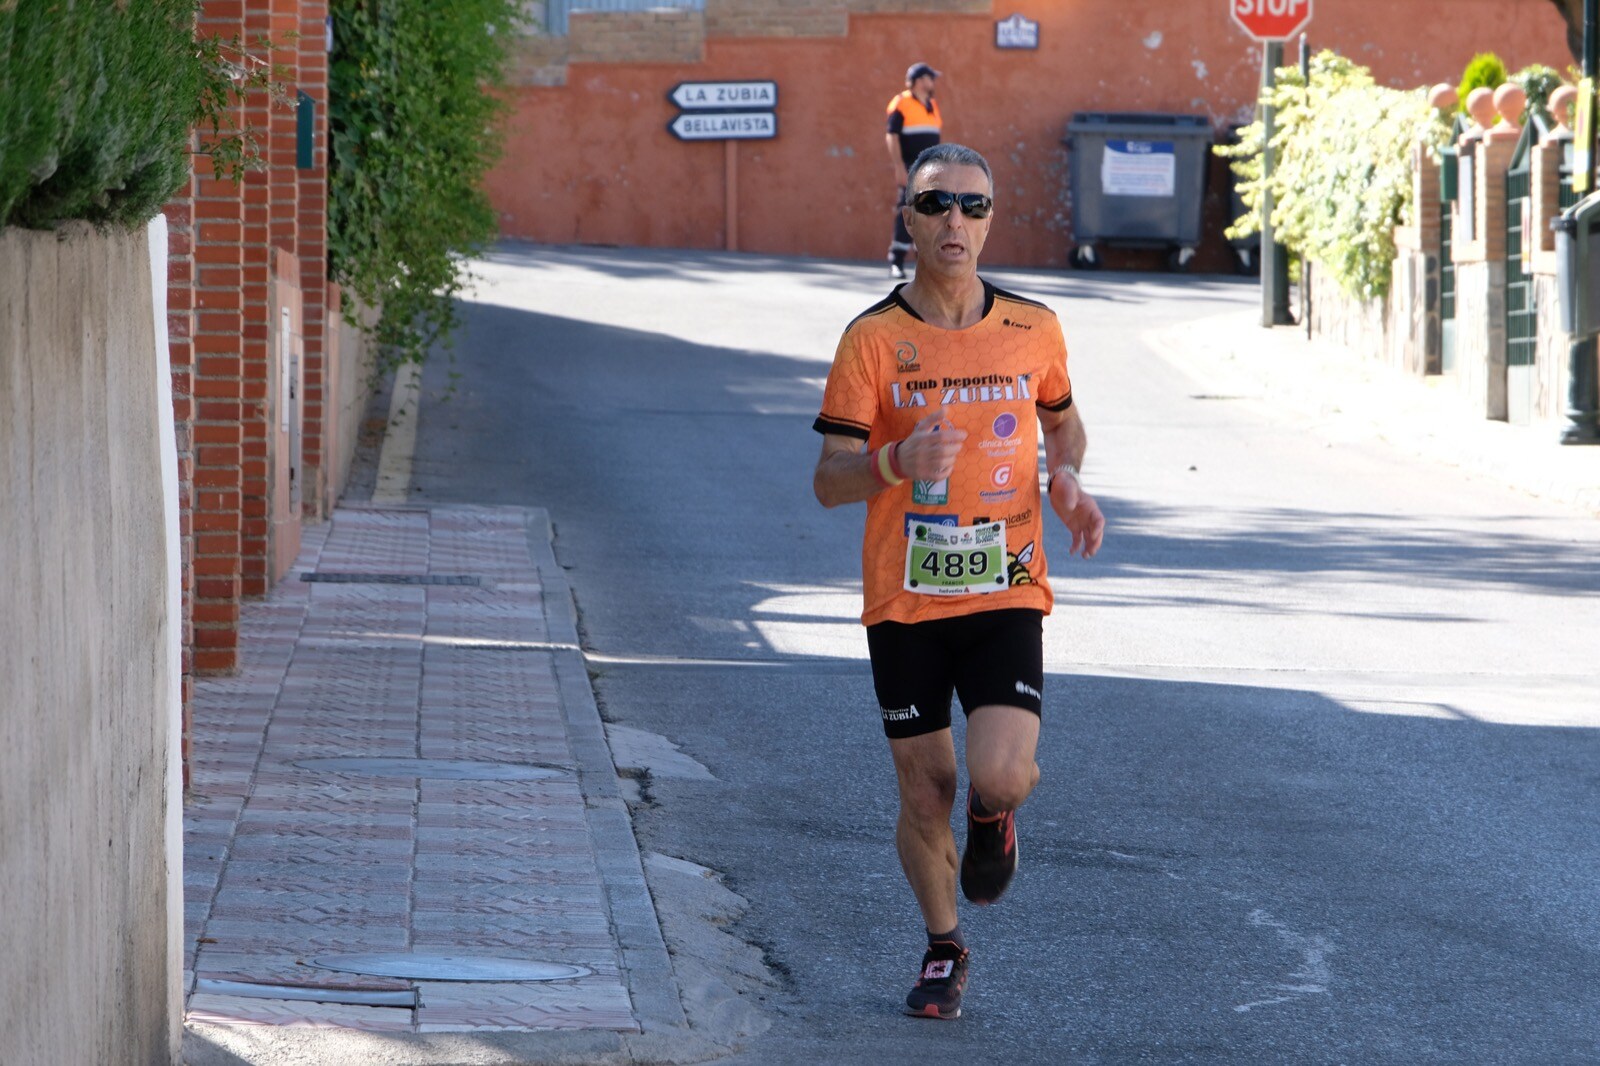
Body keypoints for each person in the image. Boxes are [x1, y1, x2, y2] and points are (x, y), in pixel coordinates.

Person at [811, 143, 1106, 1020]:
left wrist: (1068, 482)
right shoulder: (873, 339)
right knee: (922, 790)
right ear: (907, 218)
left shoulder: (1033, 326)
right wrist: (895, 459)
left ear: (990, 219)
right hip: (903, 600)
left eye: (974, 207)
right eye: (937, 205)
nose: (956, 223)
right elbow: (829, 477)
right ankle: (944, 948)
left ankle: (995, 819)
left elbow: (1067, 429)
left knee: (1003, 775)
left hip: (1007, 582)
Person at [885, 62, 943, 279]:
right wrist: (899, 166)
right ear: (920, 80)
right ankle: (897, 261)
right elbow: (891, 135)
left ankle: (925, 262)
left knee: (930, 210)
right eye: (931, 78)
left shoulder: (932, 104)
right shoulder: (901, 103)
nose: (933, 82)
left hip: (931, 168)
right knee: (907, 210)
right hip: (910, 166)